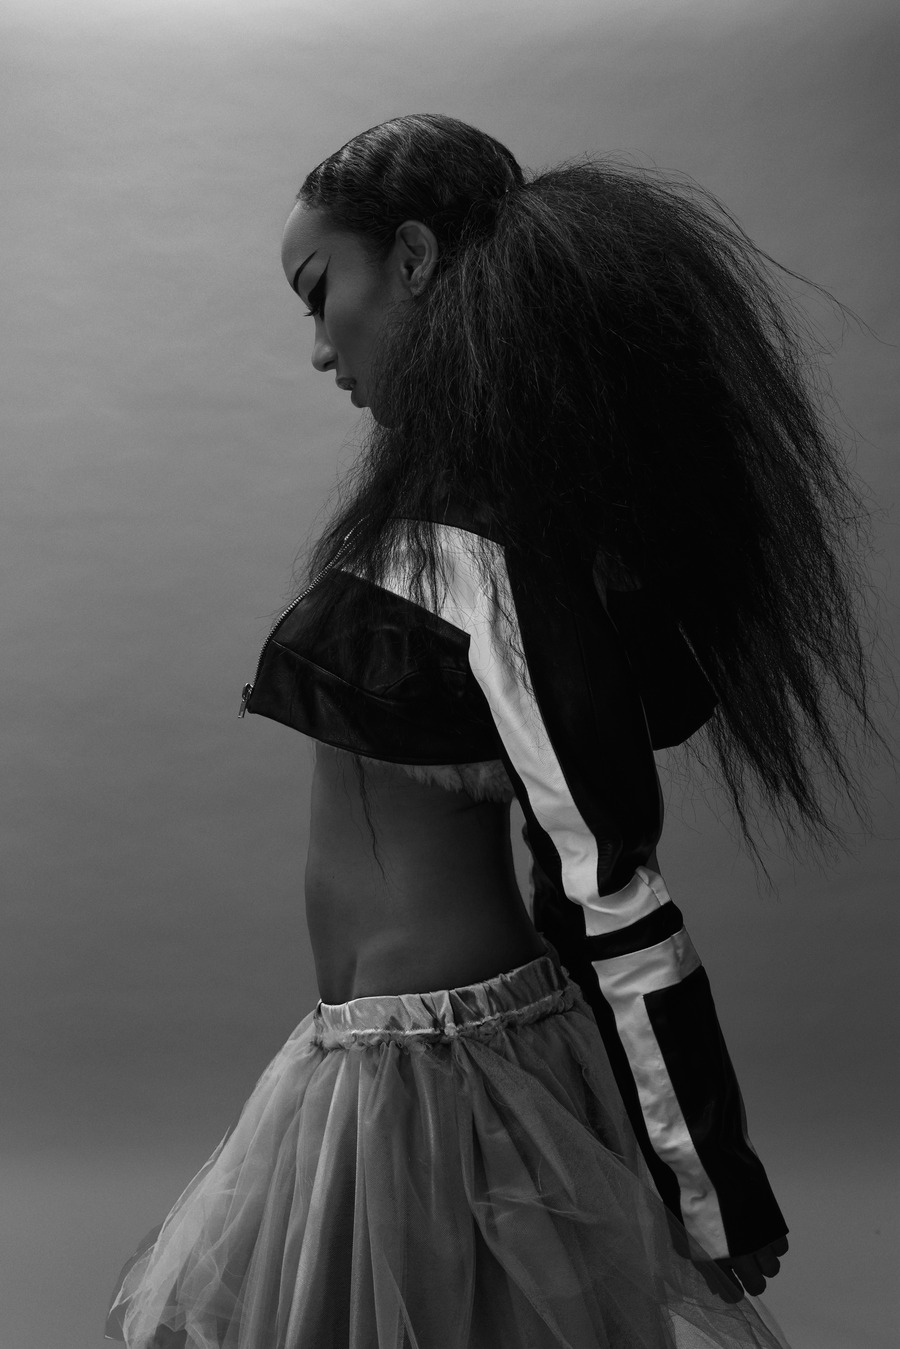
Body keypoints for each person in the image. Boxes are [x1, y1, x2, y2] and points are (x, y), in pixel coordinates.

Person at [104, 113, 886, 1348]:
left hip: (458, 1092)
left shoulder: (498, 556)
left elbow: (609, 887)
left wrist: (708, 1178)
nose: (320, 347)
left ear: (413, 258)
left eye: (321, 292)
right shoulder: (448, 524)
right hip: (362, 1074)